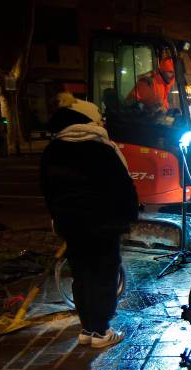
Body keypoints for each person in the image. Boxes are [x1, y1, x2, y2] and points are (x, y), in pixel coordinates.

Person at [41, 93, 139, 348]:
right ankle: (101, 331)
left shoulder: (53, 150)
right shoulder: (102, 149)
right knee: (104, 275)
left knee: (82, 274)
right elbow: (123, 188)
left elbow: (48, 191)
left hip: (71, 224)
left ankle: (87, 328)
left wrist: (59, 217)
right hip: (104, 223)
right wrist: (130, 216)